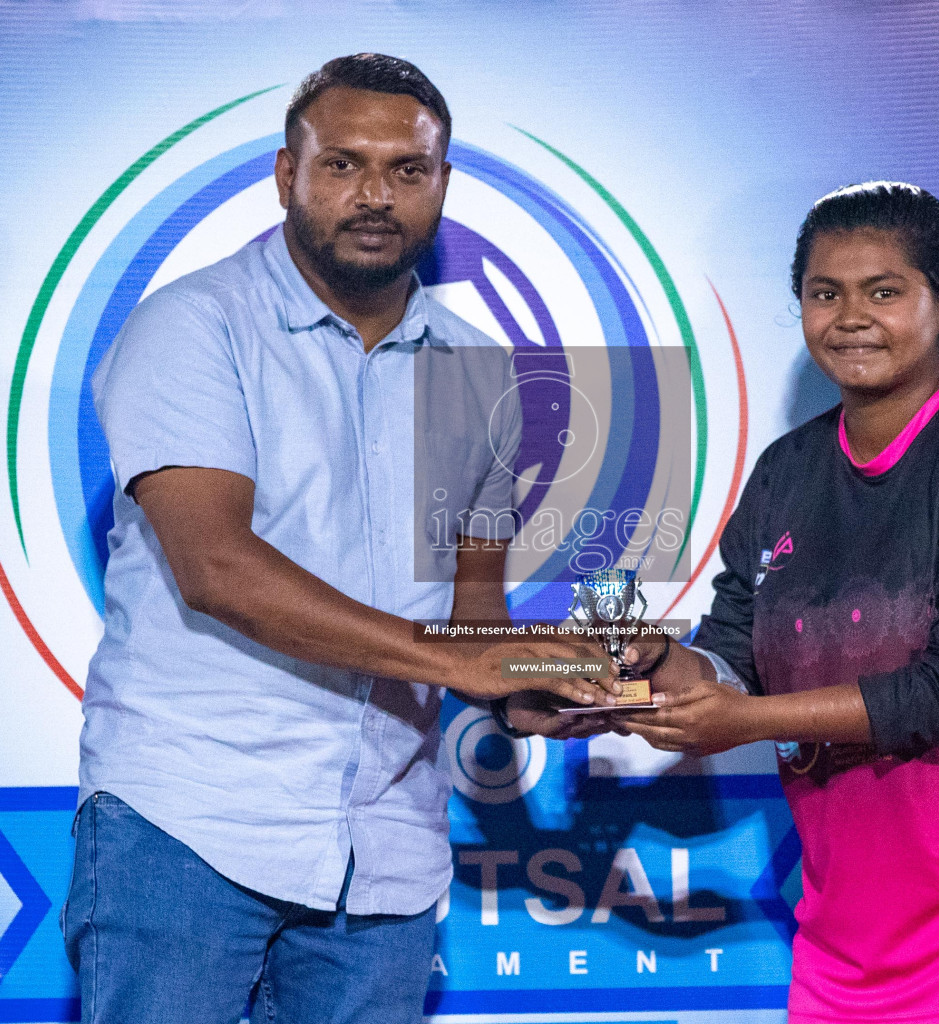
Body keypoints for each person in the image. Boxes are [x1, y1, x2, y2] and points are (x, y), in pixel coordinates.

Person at [61, 54, 619, 1024]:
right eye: (344, 165)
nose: (376, 196)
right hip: (191, 819)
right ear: (288, 176)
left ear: (443, 184)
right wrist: (463, 663)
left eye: (409, 171)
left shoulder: (483, 374)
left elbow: (471, 617)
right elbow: (216, 568)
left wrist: (540, 687)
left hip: (387, 847)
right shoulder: (196, 326)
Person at [620, 182, 939, 1024]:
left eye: (884, 291)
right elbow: (728, 656)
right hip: (845, 963)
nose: (850, 316)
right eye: (825, 293)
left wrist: (741, 722)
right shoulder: (785, 472)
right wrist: (633, 672)